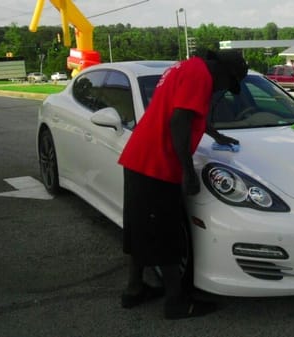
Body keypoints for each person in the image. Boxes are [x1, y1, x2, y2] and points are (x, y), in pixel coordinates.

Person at [117, 50, 247, 319]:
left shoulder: (186, 68)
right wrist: (187, 171)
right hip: (157, 163)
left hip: (139, 158)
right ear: (222, 72)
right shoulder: (200, 75)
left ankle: (134, 290)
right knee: (166, 235)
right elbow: (179, 121)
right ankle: (176, 302)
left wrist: (214, 134)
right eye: (227, 85)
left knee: (141, 229)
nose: (221, 90)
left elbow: (184, 111)